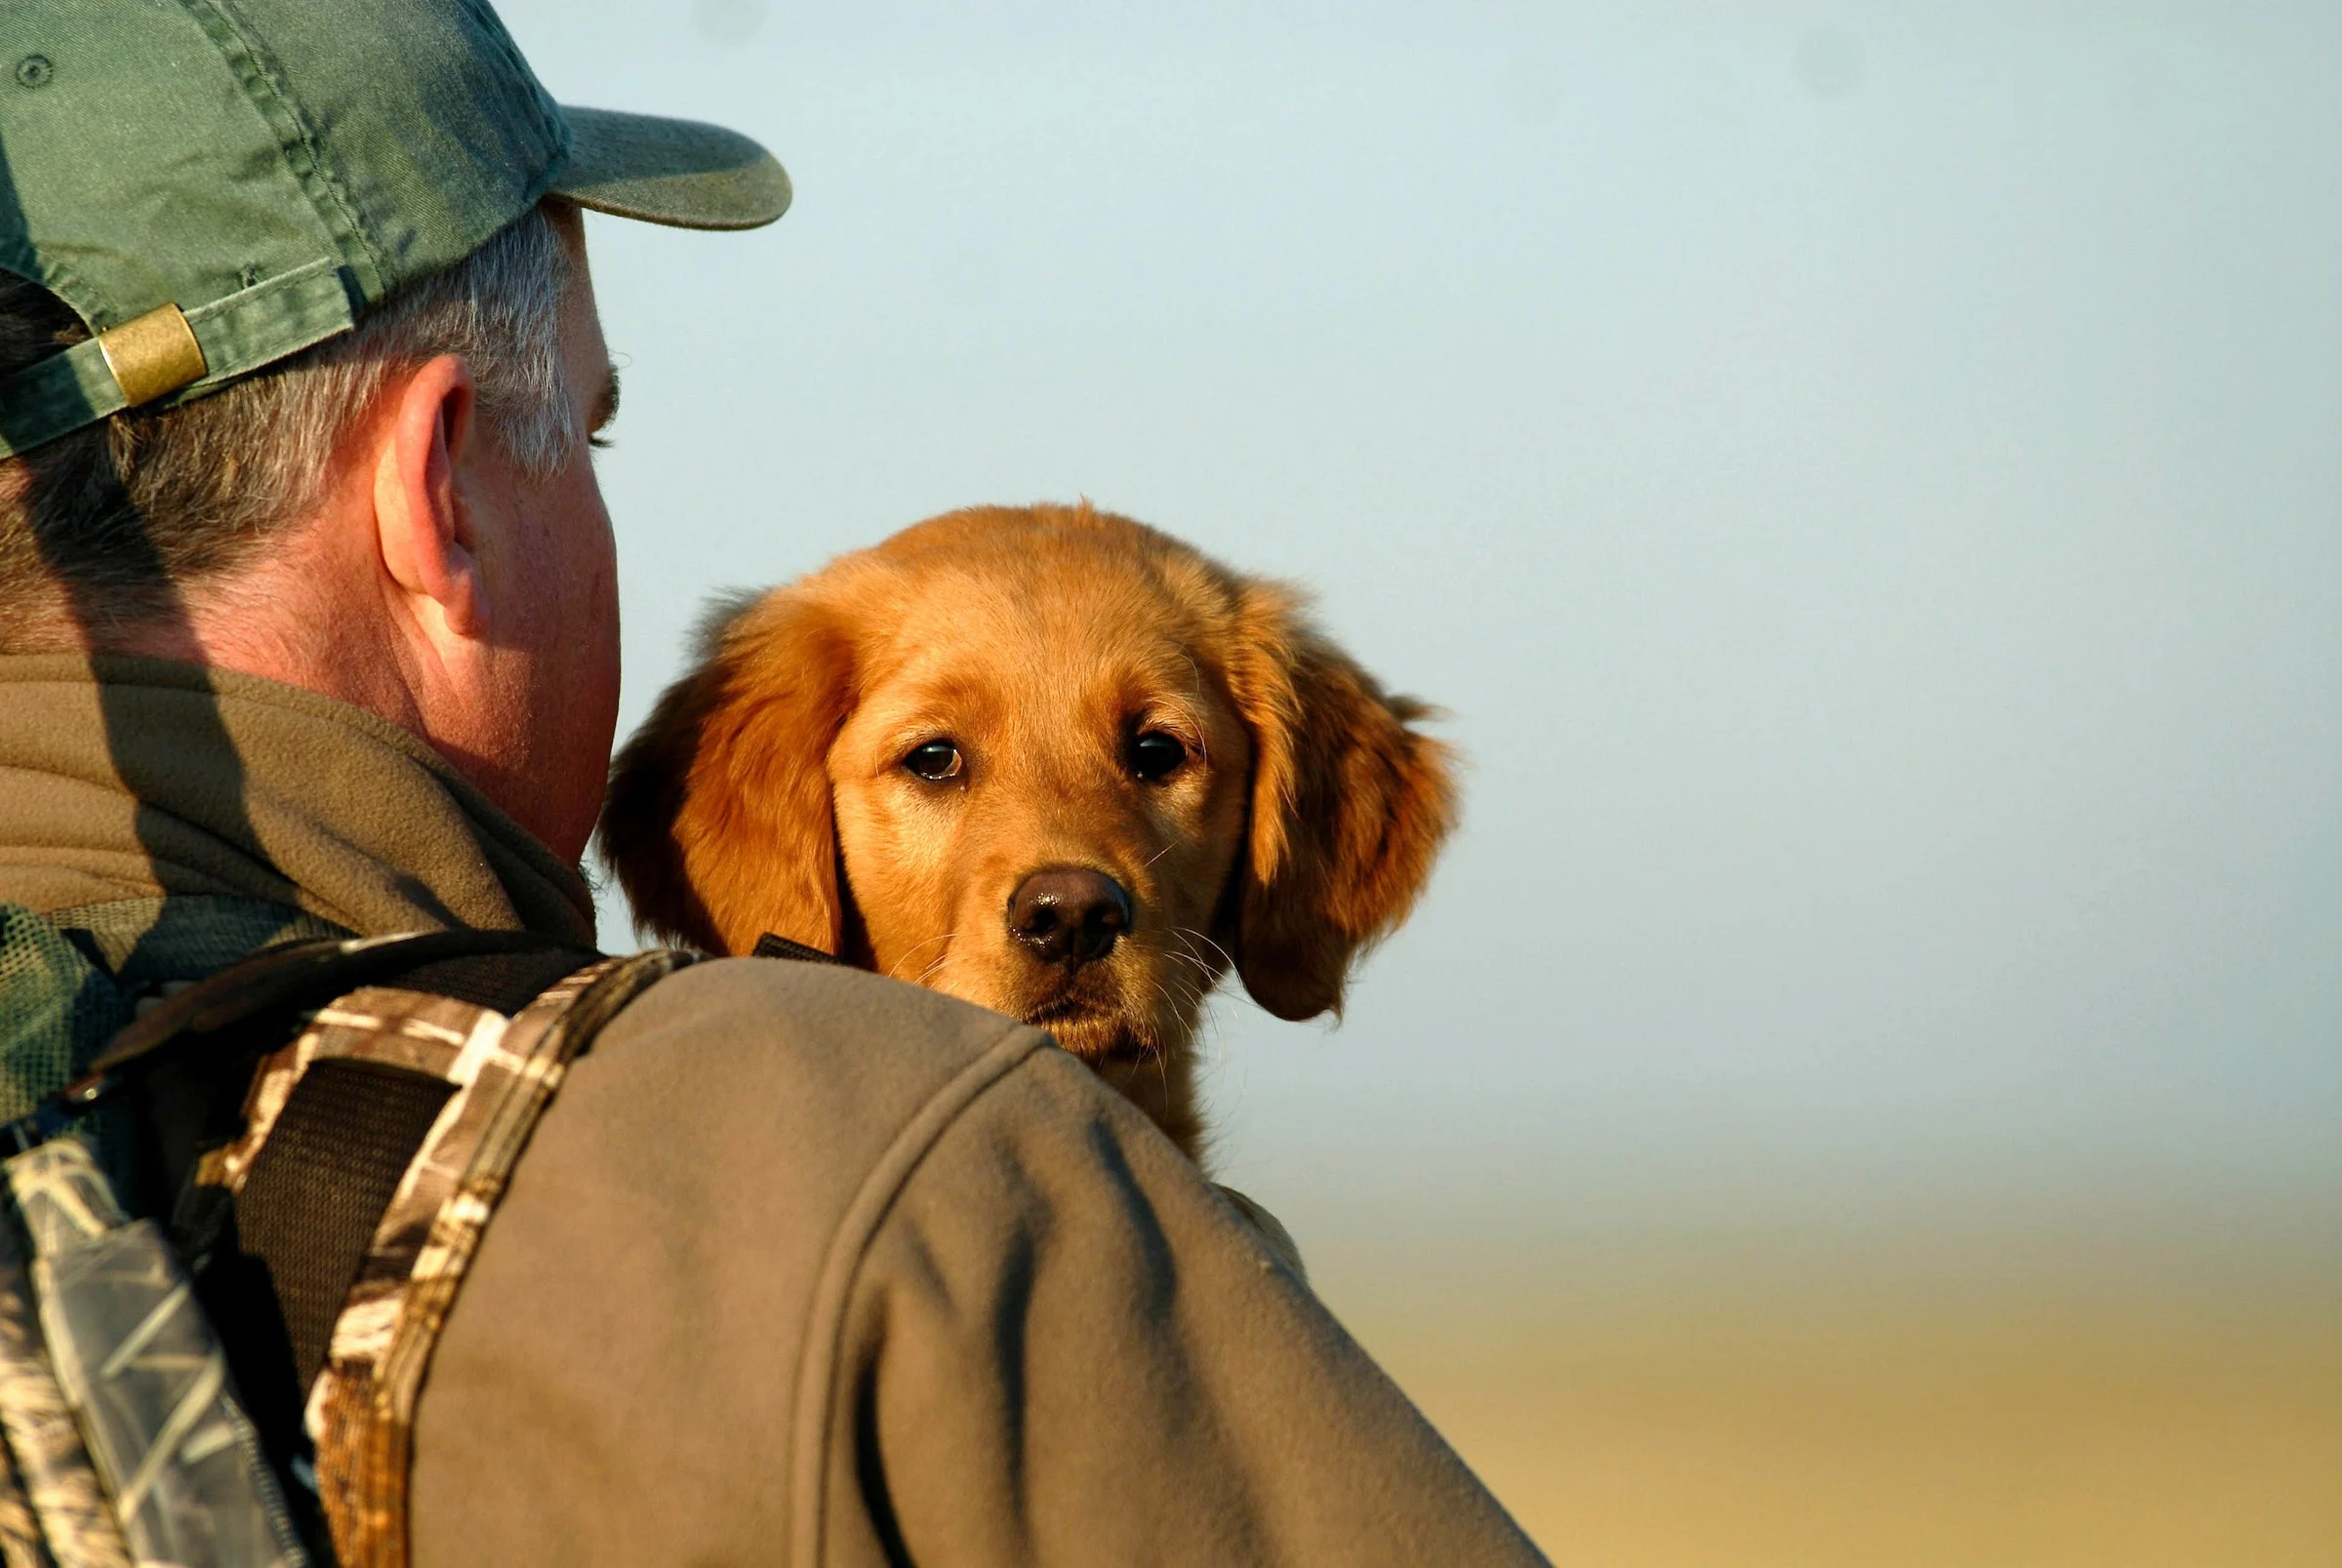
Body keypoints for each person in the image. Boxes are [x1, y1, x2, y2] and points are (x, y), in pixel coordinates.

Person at [0, 1, 1549, 1563]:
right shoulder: (924, 1170)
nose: (1072, 865)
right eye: (590, 435)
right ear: (440, 482)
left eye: (1155, 759)